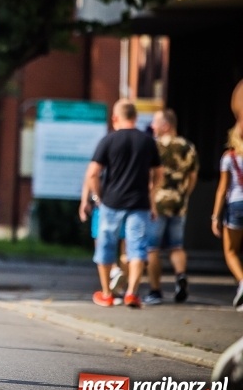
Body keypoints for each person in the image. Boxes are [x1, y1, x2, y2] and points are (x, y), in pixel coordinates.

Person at [79, 99, 162, 308]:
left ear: (115, 118)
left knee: (106, 246)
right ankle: (132, 293)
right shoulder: (147, 141)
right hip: (140, 203)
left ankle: (107, 294)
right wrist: (151, 194)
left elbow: (92, 174)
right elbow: (159, 174)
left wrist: (99, 196)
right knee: (137, 249)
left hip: (112, 202)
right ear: (135, 117)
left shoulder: (108, 140)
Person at [142, 109, 198, 305]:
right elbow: (192, 177)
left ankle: (155, 291)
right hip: (179, 203)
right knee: (176, 246)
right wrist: (184, 195)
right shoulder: (188, 147)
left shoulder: (154, 146)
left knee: (152, 248)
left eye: (155, 123)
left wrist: (149, 197)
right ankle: (180, 275)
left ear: (166, 125)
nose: (152, 127)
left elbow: (151, 176)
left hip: (156, 203)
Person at [211, 118, 243, 311]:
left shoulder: (229, 157)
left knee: (230, 251)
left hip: (236, 205)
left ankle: (242, 281)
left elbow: (222, 189)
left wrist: (215, 216)